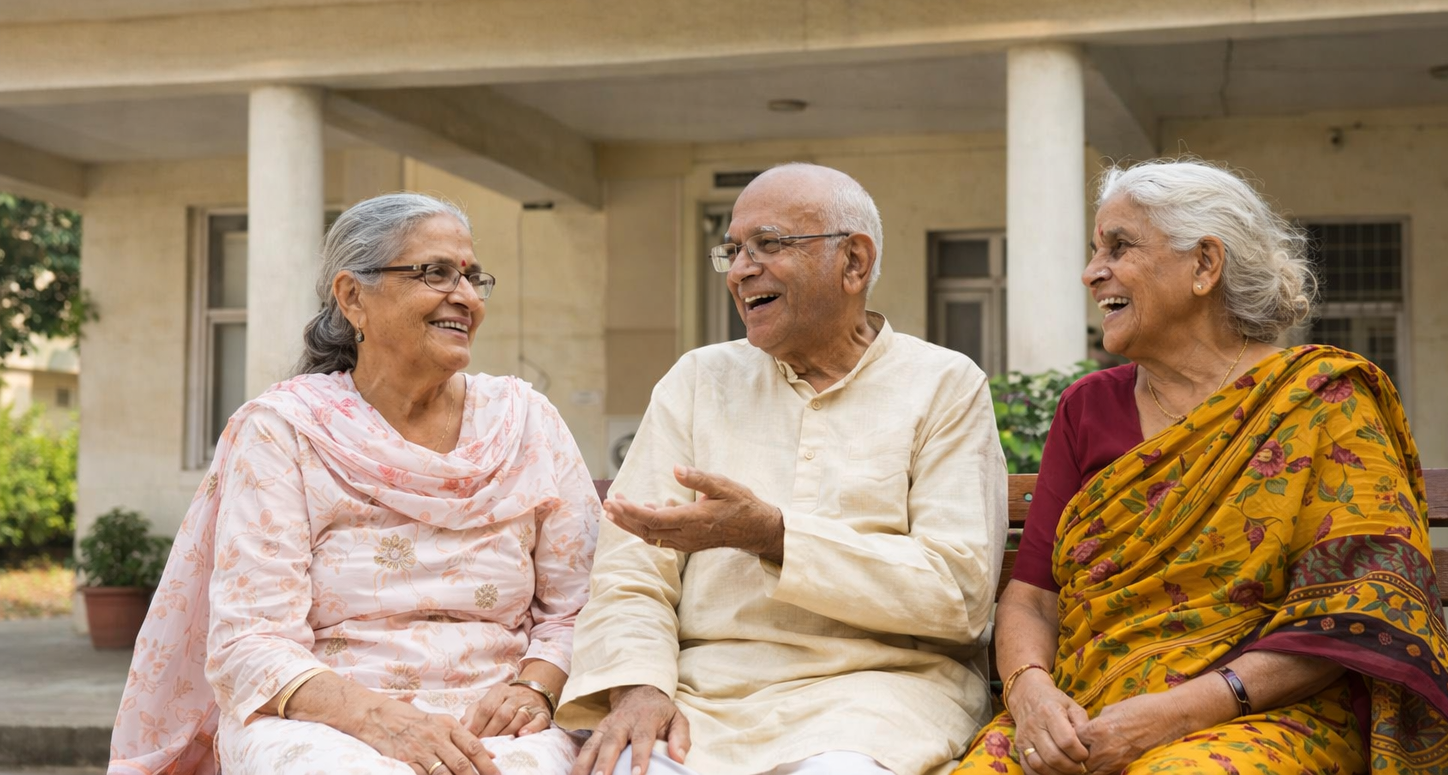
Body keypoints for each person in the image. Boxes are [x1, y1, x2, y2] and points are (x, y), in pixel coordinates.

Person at [956, 159, 1448, 775]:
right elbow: (1033, 598)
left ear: (1205, 264)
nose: (1092, 273)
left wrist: (1177, 712)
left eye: (1118, 247)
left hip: (1261, 717)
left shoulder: (1322, 399)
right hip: (1087, 712)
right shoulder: (1087, 408)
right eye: (1097, 250)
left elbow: (1358, 611)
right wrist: (1030, 692)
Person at [110, 193, 601, 775]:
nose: (465, 297)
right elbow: (250, 640)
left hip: (504, 712)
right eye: (436, 274)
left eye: (472, 278)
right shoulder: (284, 432)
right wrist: (380, 720)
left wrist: (537, 689)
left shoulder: (525, 422)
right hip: (324, 720)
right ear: (352, 297)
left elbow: (584, 606)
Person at [557, 163, 1007, 775]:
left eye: (768, 244)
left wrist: (773, 536)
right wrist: (638, 688)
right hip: (704, 696)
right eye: (733, 250)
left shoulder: (944, 385)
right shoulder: (698, 380)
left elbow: (958, 594)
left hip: (879, 693)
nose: (742, 269)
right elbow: (631, 573)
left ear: (854, 262)